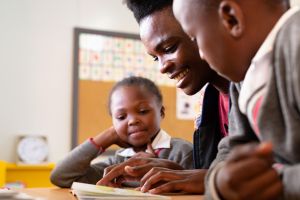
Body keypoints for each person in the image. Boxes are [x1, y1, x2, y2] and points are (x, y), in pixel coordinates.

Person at [97, 0, 230, 194]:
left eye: (169, 49)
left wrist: (201, 177)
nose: (162, 67)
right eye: (155, 57)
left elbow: (257, 175)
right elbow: (221, 175)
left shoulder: (254, 88)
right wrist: (180, 174)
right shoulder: (210, 102)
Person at [173, 0, 300, 199]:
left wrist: (278, 183)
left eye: (195, 38)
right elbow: (230, 151)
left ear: (231, 19)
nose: (201, 55)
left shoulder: (295, 41)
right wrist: (221, 182)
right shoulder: (243, 80)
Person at [50, 76, 193, 188]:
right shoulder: (118, 161)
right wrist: (105, 137)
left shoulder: (182, 151)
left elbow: (200, 189)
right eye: (121, 117)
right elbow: (61, 176)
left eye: (143, 111)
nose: (132, 121)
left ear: (161, 112)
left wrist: (156, 166)